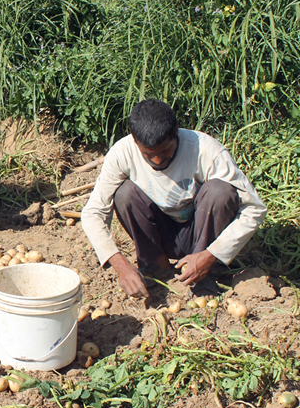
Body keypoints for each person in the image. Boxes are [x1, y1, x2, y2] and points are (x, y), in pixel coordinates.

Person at [81, 99, 266, 298]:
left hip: (202, 233)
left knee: (220, 191)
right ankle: (156, 267)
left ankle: (204, 273)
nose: (158, 160)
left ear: (176, 131)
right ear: (134, 140)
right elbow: (93, 212)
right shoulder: (122, 153)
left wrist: (211, 254)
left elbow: (254, 208)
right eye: (148, 154)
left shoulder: (205, 150)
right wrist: (121, 265)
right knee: (125, 193)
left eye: (164, 151)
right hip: (162, 233)